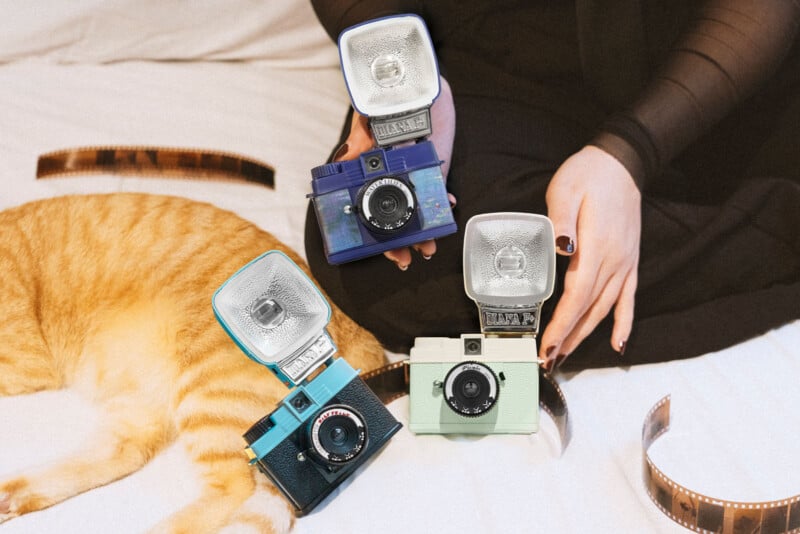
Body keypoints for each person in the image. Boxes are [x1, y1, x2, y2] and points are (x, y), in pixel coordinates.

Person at [305, 0, 800, 371]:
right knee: (371, 241)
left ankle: (774, 231)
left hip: (702, 82)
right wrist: (407, 84)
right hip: (490, 74)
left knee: (507, 269)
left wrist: (629, 153)